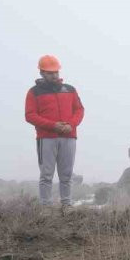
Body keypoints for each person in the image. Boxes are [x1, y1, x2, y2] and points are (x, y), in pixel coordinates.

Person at [25, 55, 85, 208]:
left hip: (69, 137)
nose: (54, 75)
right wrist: (53, 126)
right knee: (46, 175)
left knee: (66, 175)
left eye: (56, 72)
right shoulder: (34, 92)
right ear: (42, 73)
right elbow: (30, 115)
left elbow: (79, 110)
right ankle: (46, 208)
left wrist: (71, 125)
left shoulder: (70, 90)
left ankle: (67, 206)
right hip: (46, 138)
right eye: (50, 72)